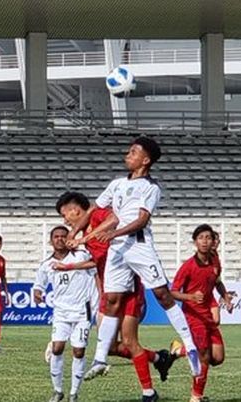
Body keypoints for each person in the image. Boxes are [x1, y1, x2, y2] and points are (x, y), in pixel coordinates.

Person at [68, 136, 200, 401]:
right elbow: (102, 211)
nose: (127, 155)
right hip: (117, 249)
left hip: (138, 245)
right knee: (112, 300)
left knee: (163, 294)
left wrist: (112, 233)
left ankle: (190, 346)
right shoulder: (117, 184)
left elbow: (140, 221)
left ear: (145, 160)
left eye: (133, 152)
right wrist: (77, 234)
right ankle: (101, 359)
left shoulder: (150, 188)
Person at [56, 192, 174, 384]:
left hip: (127, 288)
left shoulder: (97, 216)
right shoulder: (84, 234)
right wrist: (70, 266)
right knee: (110, 346)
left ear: (75, 210)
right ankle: (159, 358)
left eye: (64, 215)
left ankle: (149, 391)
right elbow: (97, 261)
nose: (65, 220)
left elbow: (114, 219)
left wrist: (84, 239)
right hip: (110, 292)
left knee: (128, 341)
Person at [33, 226, 98, 402]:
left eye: (63, 236)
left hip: (82, 311)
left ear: (68, 238)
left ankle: (74, 393)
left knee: (78, 351)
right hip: (61, 312)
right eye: (56, 237)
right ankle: (58, 391)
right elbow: (39, 284)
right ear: (51, 240)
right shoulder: (46, 264)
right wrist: (37, 292)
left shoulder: (80, 255)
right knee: (57, 348)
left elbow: (96, 264)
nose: (60, 239)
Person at [169, 225, 232, 402]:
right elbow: (172, 292)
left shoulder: (214, 260)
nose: (205, 241)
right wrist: (189, 296)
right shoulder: (188, 266)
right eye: (201, 238)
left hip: (207, 316)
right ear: (195, 242)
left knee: (217, 358)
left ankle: (178, 349)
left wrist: (225, 297)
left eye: (208, 238)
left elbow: (217, 281)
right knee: (204, 356)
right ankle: (196, 396)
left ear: (213, 241)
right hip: (193, 315)